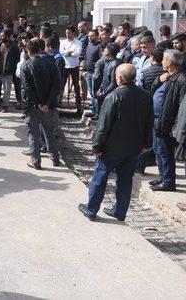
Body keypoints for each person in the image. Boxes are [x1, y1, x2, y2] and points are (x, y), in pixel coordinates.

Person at [77, 64, 153, 222]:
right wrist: (146, 144)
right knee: (125, 180)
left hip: (111, 148)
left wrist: (97, 146)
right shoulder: (145, 96)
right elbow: (149, 122)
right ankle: (119, 211)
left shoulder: (114, 96)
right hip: (133, 148)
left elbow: (103, 126)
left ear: (119, 78)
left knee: (100, 178)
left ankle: (91, 209)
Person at [19, 38, 62, 169]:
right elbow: (56, 84)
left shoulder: (25, 66)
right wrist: (47, 103)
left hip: (32, 106)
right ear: (39, 49)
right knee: (49, 132)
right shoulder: (51, 63)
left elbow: (27, 88)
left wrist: (38, 103)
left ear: (28, 51)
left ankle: (36, 161)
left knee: (33, 134)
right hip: (48, 106)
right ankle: (55, 158)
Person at [150, 49, 186, 191]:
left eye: (164, 60)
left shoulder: (181, 79)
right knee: (158, 150)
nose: (162, 62)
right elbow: (152, 89)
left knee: (165, 152)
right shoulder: (167, 76)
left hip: (167, 121)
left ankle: (168, 182)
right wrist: (158, 79)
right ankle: (163, 177)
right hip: (157, 118)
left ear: (170, 62)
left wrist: (176, 125)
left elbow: (181, 104)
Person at [60, 26, 83, 114]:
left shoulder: (78, 42)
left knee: (76, 86)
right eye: (66, 33)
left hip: (74, 66)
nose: (67, 35)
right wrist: (70, 52)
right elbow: (62, 52)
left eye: (69, 33)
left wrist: (68, 52)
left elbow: (77, 53)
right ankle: (59, 103)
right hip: (65, 65)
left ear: (73, 33)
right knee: (62, 84)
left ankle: (78, 106)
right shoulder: (63, 42)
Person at [83, 29, 102, 116]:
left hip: (95, 73)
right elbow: (86, 57)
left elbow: (101, 60)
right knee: (91, 93)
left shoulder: (99, 46)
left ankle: (98, 113)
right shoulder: (89, 45)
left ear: (97, 36)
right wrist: (84, 70)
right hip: (88, 72)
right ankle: (93, 111)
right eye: (89, 36)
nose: (90, 37)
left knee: (95, 93)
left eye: (92, 36)